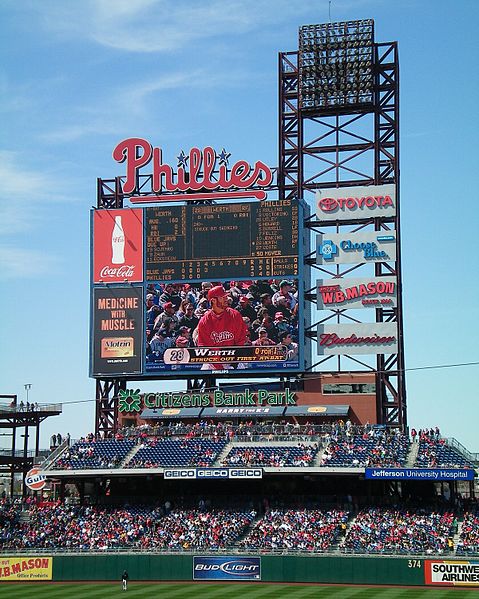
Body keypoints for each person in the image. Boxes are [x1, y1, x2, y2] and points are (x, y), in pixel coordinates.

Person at [197, 285, 248, 369]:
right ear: (213, 300)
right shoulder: (204, 321)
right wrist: (219, 367)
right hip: (213, 360)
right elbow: (205, 348)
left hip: (233, 359)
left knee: (241, 375)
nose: (226, 299)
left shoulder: (235, 315)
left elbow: (240, 341)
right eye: (222, 297)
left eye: (226, 296)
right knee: (203, 373)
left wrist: (233, 363)